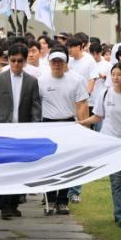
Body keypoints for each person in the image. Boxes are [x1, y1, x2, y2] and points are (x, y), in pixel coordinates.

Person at [0, 43, 42, 220]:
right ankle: (4, 205)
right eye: (13, 60)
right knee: (4, 168)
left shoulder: (32, 81)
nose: (16, 64)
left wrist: (35, 128)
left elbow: (35, 107)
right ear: (8, 60)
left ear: (25, 61)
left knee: (19, 169)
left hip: (23, 131)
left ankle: (14, 203)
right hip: (2, 130)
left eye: (19, 61)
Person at [80, 63, 121, 228]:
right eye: (113, 74)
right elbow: (97, 117)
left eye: (119, 74)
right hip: (111, 142)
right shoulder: (105, 94)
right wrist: (81, 123)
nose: (116, 77)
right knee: (116, 181)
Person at [38, 47, 88, 214]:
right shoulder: (42, 80)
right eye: (54, 61)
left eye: (60, 61)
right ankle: (50, 200)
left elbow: (82, 104)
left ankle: (63, 201)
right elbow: (37, 103)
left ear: (65, 63)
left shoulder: (75, 80)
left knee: (67, 163)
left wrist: (83, 127)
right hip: (47, 124)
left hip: (68, 123)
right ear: (49, 62)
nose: (57, 64)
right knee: (48, 164)